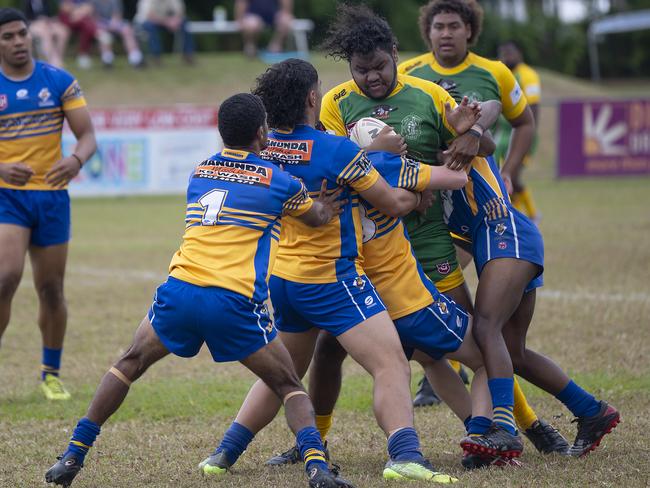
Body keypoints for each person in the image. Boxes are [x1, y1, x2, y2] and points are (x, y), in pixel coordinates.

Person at [45, 93, 352, 488]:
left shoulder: (200, 170)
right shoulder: (281, 182)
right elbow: (316, 218)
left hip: (180, 291)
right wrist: (323, 202)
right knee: (288, 384)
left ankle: (73, 454)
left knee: (128, 363)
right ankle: (317, 469)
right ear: (262, 132)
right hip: (232, 300)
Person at [201, 58, 458, 484]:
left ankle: (223, 454)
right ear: (311, 98)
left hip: (284, 281)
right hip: (332, 280)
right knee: (392, 363)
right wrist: (416, 196)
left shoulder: (263, 148)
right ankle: (405, 455)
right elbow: (392, 203)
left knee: (282, 374)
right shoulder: (336, 149)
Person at [397, 1, 566, 452]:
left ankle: (515, 425)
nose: (446, 34)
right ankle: (497, 415)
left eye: (455, 26)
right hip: (433, 218)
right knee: (468, 329)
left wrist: (509, 168)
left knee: (480, 330)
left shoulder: (495, 72)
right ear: (427, 32)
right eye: (438, 26)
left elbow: (519, 120)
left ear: (470, 32)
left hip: (481, 213)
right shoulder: (408, 73)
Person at [438, 151, 620, 461]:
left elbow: (487, 135)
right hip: (494, 243)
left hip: (507, 234)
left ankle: (505, 429)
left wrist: (474, 130)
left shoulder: (449, 133)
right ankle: (592, 411)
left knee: (486, 327)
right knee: (512, 352)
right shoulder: (414, 173)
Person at [0, 8, 96, 401]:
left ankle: (50, 373)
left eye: (22, 33)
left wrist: (74, 161)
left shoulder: (58, 81)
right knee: (5, 278)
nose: (18, 41)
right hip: (8, 198)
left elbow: (87, 135)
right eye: (8, 37)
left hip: (52, 197)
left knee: (52, 289)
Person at [496, 39, 540, 222]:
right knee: (504, 178)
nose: (507, 57)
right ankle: (525, 215)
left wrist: (529, 137)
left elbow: (534, 109)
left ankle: (528, 216)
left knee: (512, 177)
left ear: (519, 54)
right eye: (503, 54)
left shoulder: (528, 75)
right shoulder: (503, 75)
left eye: (510, 53)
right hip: (503, 136)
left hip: (521, 134)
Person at [135, 0, 194, 65]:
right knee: (150, 26)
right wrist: (167, 22)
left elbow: (180, 12)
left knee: (184, 22)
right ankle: (156, 55)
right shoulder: (147, 1)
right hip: (145, 22)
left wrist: (175, 21)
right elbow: (150, 16)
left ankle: (188, 54)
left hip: (164, 22)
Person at [92, 0, 143, 68]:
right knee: (104, 35)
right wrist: (106, 26)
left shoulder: (115, 1)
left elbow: (117, 15)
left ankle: (135, 59)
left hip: (114, 24)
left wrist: (113, 24)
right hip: (100, 25)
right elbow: (94, 18)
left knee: (127, 30)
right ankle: (107, 60)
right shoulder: (94, 2)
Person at [24, 0, 69, 67]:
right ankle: (52, 61)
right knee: (45, 33)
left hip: (47, 24)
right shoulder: (27, 2)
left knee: (63, 31)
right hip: (33, 24)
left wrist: (49, 20)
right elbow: (25, 18)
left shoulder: (46, 2)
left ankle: (58, 58)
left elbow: (52, 15)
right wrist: (39, 20)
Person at [58, 0, 98, 69]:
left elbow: (89, 8)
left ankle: (83, 55)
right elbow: (65, 8)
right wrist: (79, 11)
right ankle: (83, 54)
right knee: (86, 23)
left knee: (86, 25)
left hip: (79, 19)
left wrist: (78, 13)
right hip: (67, 20)